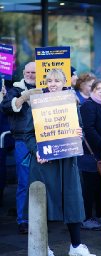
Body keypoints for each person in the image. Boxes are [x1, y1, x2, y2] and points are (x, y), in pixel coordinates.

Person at [24, 69, 96, 256]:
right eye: (50, 80)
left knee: (72, 203)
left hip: (67, 162)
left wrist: (80, 135)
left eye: (57, 80)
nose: (53, 83)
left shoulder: (71, 102)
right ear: (46, 83)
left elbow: (78, 131)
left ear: (64, 82)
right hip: (45, 162)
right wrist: (36, 150)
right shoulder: (38, 103)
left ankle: (76, 246)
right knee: (44, 204)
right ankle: (43, 246)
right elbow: (28, 134)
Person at [0, 61, 42, 234]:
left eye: (34, 72)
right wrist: (24, 97)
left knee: (43, 181)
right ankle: (23, 219)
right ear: (23, 72)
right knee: (24, 181)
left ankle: (42, 216)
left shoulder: (46, 89)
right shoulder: (14, 90)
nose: (30, 74)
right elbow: (5, 107)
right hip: (23, 142)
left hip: (44, 141)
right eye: (28, 72)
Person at [79, 79, 101, 231]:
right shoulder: (89, 105)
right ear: (93, 91)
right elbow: (89, 131)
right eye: (99, 89)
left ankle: (100, 216)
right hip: (91, 156)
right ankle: (86, 218)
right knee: (89, 189)